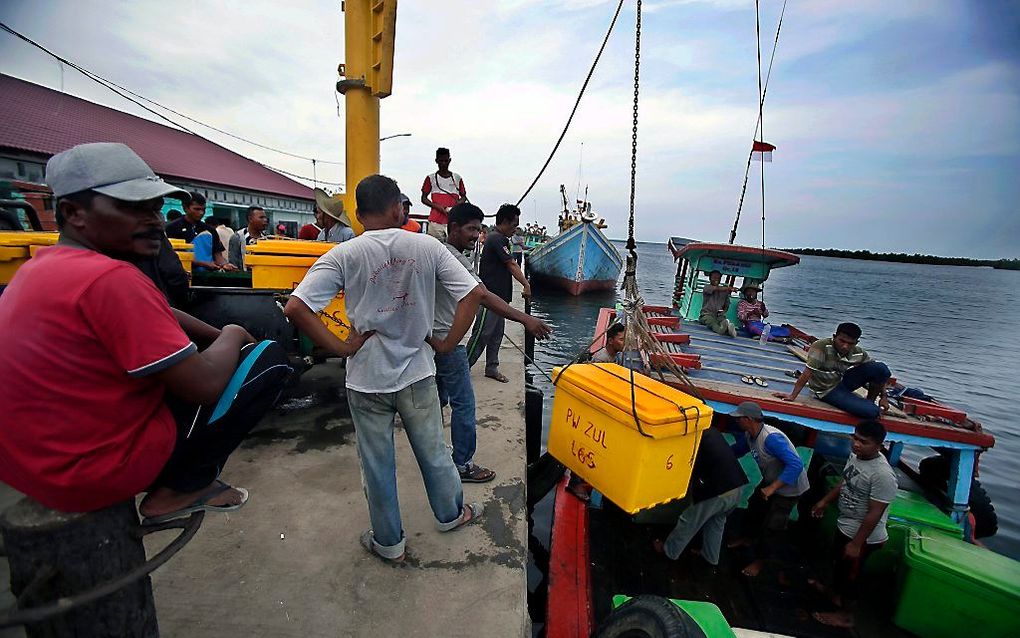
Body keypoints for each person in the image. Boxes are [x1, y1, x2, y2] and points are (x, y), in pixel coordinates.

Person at [0, 142, 289, 522]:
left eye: (155, 207)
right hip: (88, 474)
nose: (154, 220)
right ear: (74, 213)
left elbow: (161, 309)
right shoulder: (111, 279)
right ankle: (182, 488)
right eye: (133, 208)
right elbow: (202, 385)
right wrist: (232, 333)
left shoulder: (47, 266)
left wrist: (213, 334)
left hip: (35, 466)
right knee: (268, 360)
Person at [284, 174, 485, 564]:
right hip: (417, 374)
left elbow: (296, 308)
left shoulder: (344, 254)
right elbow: (473, 294)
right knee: (433, 451)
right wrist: (445, 345)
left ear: (358, 214)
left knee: (377, 463)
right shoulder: (427, 247)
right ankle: (450, 515)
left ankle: (389, 542)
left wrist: (342, 347)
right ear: (398, 209)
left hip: (366, 378)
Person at [435, 203, 552, 483]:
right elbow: (482, 294)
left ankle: (436, 452)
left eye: (478, 228)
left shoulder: (439, 251)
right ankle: (462, 464)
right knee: (463, 402)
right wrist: (526, 319)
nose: (477, 235)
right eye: (471, 229)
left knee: (438, 399)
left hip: (436, 339)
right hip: (446, 342)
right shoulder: (457, 257)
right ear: (453, 228)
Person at [810, 420, 897, 629]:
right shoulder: (856, 456)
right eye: (855, 438)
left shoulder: (882, 475)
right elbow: (845, 481)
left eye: (863, 442)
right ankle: (833, 593)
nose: (856, 444)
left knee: (851, 577)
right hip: (845, 525)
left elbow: (875, 512)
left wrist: (857, 543)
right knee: (837, 564)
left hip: (864, 536)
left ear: (878, 445)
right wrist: (824, 501)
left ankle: (846, 615)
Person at [728, 401, 810, 577]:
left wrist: (772, 488)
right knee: (754, 507)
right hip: (770, 480)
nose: (736, 422)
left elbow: (795, 465)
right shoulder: (750, 435)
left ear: (749, 419)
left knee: (773, 525)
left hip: (789, 488)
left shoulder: (771, 438)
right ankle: (747, 538)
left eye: (739, 419)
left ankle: (760, 562)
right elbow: (737, 450)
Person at [653, 426, 748, 567]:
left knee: (689, 520)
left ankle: (669, 552)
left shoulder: (694, 437)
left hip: (719, 490)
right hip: (738, 486)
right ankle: (710, 557)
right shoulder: (712, 432)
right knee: (716, 522)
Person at [467, 204, 532, 382]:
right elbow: (511, 264)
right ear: (504, 222)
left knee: (496, 336)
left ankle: (492, 367)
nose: (514, 229)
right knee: (481, 335)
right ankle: (464, 367)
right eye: (513, 225)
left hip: (500, 299)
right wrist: (526, 284)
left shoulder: (502, 240)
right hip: (490, 298)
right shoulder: (496, 239)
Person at [774, 322, 892, 419]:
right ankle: (870, 407)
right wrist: (792, 396)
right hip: (826, 390)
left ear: (856, 343)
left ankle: (870, 401)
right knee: (872, 412)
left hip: (842, 381)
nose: (845, 346)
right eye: (842, 341)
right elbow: (807, 373)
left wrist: (884, 397)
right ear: (834, 337)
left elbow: (879, 374)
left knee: (880, 368)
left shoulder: (858, 352)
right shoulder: (821, 347)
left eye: (850, 343)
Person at [165, 191, 236, 271]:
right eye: (197, 209)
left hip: (207, 276)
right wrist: (203, 264)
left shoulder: (210, 230)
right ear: (185, 208)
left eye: (203, 209)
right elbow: (173, 255)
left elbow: (218, 255)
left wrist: (225, 264)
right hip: (182, 274)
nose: (201, 213)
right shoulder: (173, 228)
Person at [421, 147, 466, 242]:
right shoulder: (431, 178)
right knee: (434, 249)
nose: (443, 164)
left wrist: (456, 206)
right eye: (441, 161)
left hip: (453, 221)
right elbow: (424, 198)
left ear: (449, 160)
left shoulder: (457, 178)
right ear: (436, 161)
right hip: (435, 221)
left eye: (446, 161)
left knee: (452, 249)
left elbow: (463, 197)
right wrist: (438, 207)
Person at [699, 270, 738, 337]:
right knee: (712, 323)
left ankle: (729, 329)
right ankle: (721, 330)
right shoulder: (707, 287)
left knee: (724, 321)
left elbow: (727, 304)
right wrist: (729, 288)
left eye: (718, 278)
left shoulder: (724, 292)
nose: (716, 279)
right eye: (714, 277)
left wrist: (723, 311)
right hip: (706, 314)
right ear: (710, 278)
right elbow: (715, 288)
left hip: (719, 316)